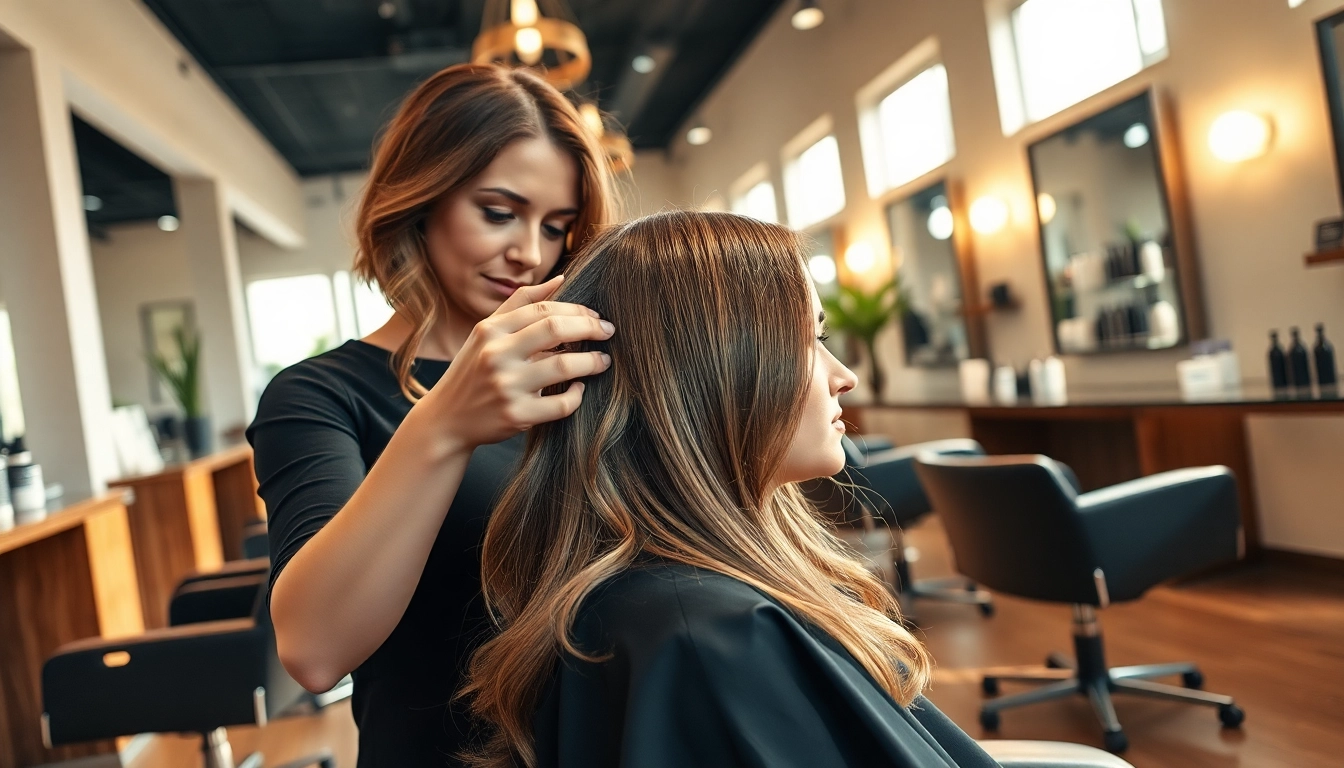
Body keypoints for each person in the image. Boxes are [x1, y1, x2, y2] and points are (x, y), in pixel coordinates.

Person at [463, 211, 999, 768]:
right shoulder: (716, 637)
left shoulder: (678, 610)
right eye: (807, 340)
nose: (844, 376)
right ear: (717, 374)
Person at [246, 63, 617, 767]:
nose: (530, 253)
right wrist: (445, 424)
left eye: (557, 227)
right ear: (422, 198)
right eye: (498, 212)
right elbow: (314, 650)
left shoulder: (582, 367)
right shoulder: (321, 395)